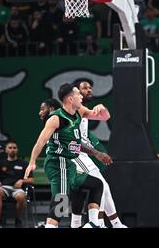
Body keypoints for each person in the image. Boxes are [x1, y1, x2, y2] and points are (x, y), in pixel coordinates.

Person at [24, 83, 113, 228]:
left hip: (69, 164)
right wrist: (32, 162)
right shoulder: (56, 119)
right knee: (61, 203)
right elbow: (40, 142)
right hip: (58, 163)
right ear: (71, 99)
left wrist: (102, 108)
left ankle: (93, 224)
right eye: (78, 94)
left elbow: (104, 117)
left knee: (97, 184)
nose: (81, 96)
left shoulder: (78, 113)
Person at [72, 79, 126, 228]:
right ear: (76, 92)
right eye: (85, 88)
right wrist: (96, 153)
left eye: (90, 87)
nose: (89, 90)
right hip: (74, 155)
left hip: (81, 154)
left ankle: (111, 224)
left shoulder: (82, 109)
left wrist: (102, 107)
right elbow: (72, 141)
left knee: (101, 187)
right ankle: (100, 224)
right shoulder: (74, 109)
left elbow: (105, 117)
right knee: (100, 185)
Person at [0, 141, 34, 228]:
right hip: (2, 188)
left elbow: (32, 179)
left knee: (21, 197)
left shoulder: (24, 164)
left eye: (14, 148)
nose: (12, 150)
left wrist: (22, 181)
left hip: (17, 189)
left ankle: (18, 220)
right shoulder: (0, 163)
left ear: (17, 150)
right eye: (10, 148)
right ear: (6, 150)